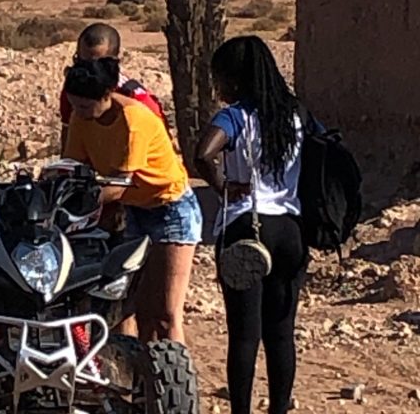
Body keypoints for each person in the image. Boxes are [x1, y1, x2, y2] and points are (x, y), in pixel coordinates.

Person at [194, 36, 309, 414]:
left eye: (220, 78)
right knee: (280, 333)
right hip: (290, 231)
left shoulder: (236, 117)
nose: (218, 87)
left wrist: (223, 185)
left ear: (235, 79)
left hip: (246, 227)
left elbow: (203, 153)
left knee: (244, 336)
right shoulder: (295, 114)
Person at [62, 57, 202, 344]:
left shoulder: (134, 120)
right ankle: (134, 379)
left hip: (170, 209)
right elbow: (73, 167)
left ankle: (173, 384)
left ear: (107, 95)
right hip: (133, 211)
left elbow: (119, 184)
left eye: (86, 106)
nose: (79, 112)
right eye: (75, 105)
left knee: (164, 312)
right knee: (125, 306)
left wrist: (78, 207)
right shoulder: (80, 117)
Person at [58, 23, 173, 152]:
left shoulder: (136, 99)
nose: (87, 72)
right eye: (81, 62)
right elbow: (69, 142)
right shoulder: (74, 90)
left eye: (97, 65)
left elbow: (162, 147)